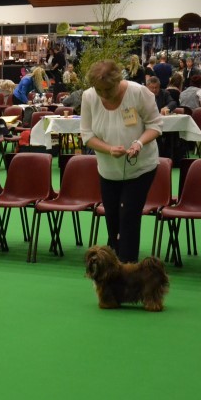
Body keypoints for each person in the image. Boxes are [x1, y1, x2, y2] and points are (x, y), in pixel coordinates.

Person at [80, 59, 162, 263]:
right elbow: (87, 135)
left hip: (141, 168)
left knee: (128, 218)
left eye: (108, 89)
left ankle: (128, 269)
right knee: (113, 221)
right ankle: (114, 268)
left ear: (119, 80)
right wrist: (108, 149)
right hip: (108, 170)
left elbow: (155, 126)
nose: (104, 95)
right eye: (99, 90)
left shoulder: (139, 93)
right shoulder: (89, 97)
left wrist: (139, 144)